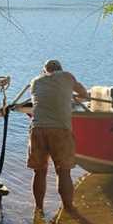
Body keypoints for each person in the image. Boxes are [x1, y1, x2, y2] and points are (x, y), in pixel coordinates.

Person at [28, 59, 87, 213]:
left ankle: (39, 208)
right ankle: (68, 208)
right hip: (60, 130)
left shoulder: (35, 81)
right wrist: (70, 101)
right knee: (64, 171)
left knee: (39, 171)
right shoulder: (67, 76)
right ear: (60, 69)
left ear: (45, 71)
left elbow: (37, 102)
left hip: (38, 128)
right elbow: (84, 95)